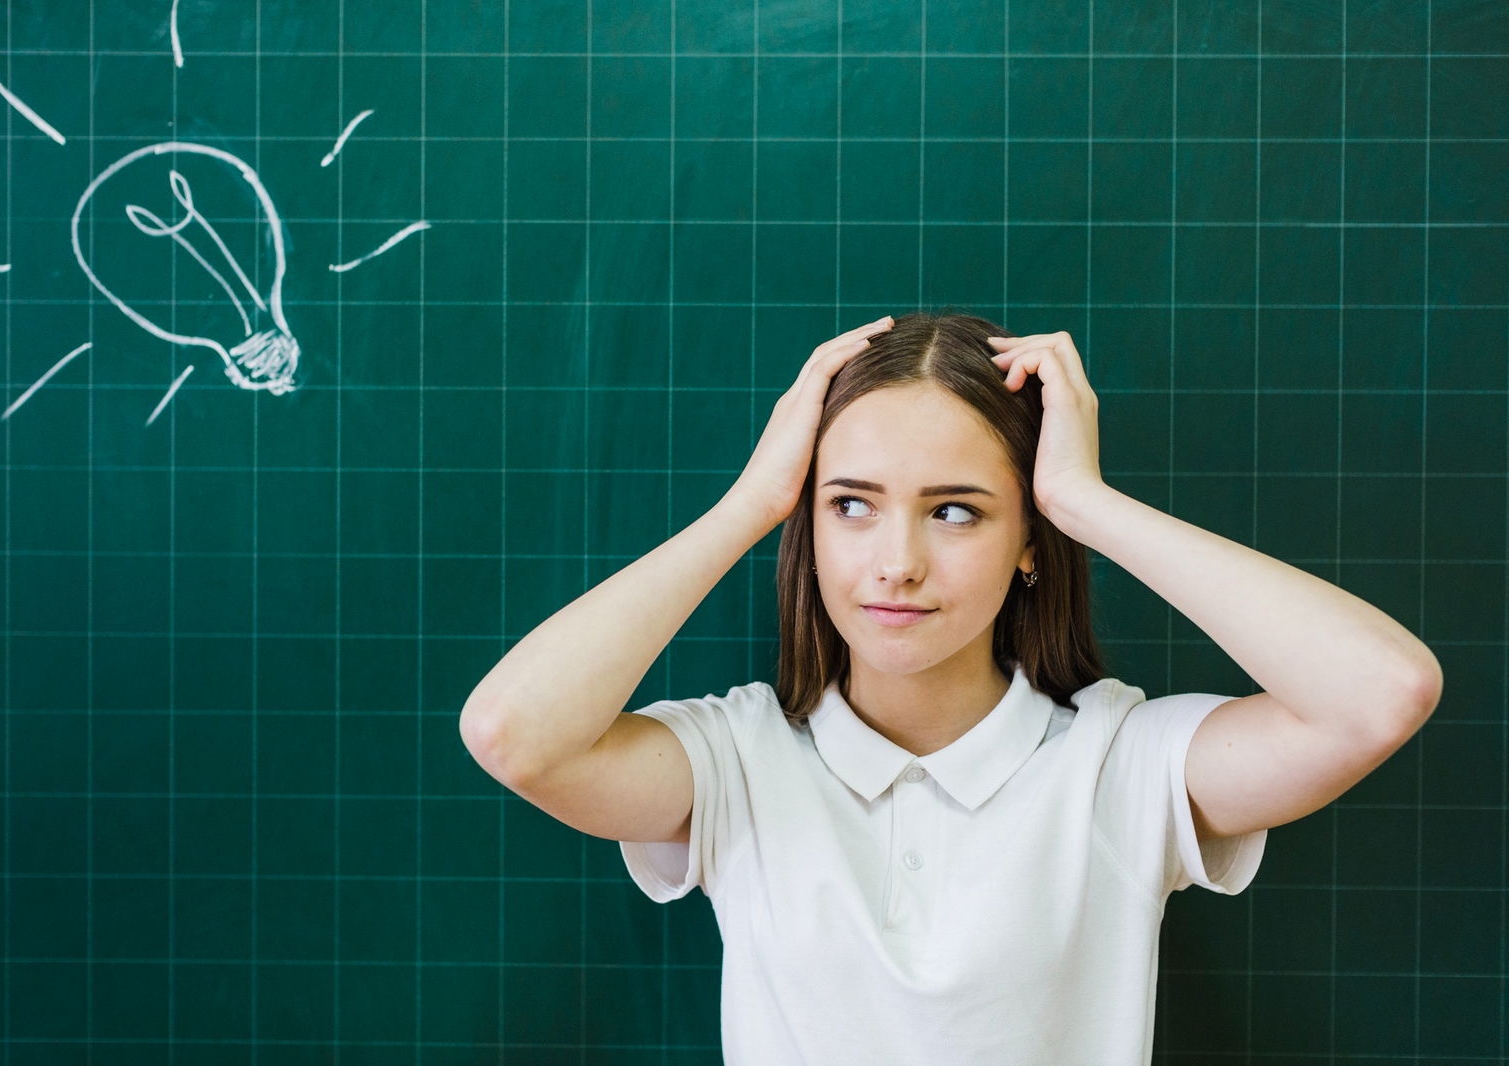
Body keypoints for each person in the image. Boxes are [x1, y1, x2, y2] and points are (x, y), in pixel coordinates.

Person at [460, 312, 1442, 1064]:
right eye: (851, 505)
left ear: (1028, 541)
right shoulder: (736, 761)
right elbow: (513, 733)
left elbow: (1382, 692)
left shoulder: (1117, 764)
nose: (897, 562)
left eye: (956, 512)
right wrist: (753, 503)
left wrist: (1083, 502)